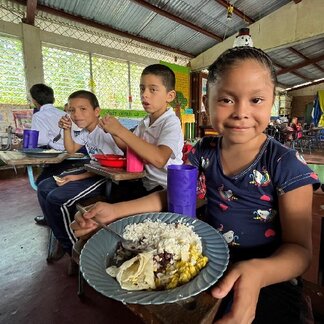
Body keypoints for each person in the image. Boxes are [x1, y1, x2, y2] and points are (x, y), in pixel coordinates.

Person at [71, 47, 319, 323]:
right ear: (206, 102)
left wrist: (259, 271)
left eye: (256, 100)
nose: (241, 112)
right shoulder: (204, 150)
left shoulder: (285, 163)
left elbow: (300, 251)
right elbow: (176, 197)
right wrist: (115, 211)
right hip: (206, 261)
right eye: (226, 99)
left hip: (270, 274)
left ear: (272, 101)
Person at [37, 90, 122, 257]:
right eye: (71, 110)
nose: (76, 114)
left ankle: (73, 249)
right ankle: (61, 236)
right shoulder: (85, 132)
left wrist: (77, 177)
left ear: (97, 111)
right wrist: (67, 130)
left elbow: (111, 168)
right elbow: (70, 149)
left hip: (107, 176)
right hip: (93, 170)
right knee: (43, 187)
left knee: (57, 199)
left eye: (83, 109)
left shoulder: (105, 131)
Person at [99, 63, 183, 201]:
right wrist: (113, 132)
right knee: (111, 196)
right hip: (145, 184)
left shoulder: (171, 122)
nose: (144, 95)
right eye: (142, 89)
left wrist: (120, 130)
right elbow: (129, 149)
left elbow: (160, 159)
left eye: (153, 90)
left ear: (170, 96)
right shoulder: (145, 122)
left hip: (165, 189)